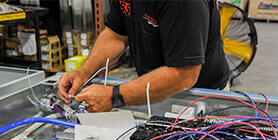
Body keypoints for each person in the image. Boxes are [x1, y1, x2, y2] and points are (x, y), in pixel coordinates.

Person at [58, 0, 229, 112]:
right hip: (154, 92)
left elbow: (184, 75)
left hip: (200, 99)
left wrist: (114, 96)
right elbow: (116, 34)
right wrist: (84, 72)